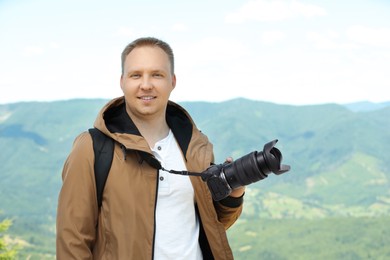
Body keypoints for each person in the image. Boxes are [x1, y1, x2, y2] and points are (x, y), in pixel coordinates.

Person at [56, 37, 245, 260]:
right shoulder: (92, 148)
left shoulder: (195, 145)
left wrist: (234, 194)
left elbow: (211, 225)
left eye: (157, 74)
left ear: (172, 81)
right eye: (136, 75)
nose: (146, 84)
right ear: (122, 81)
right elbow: (72, 242)